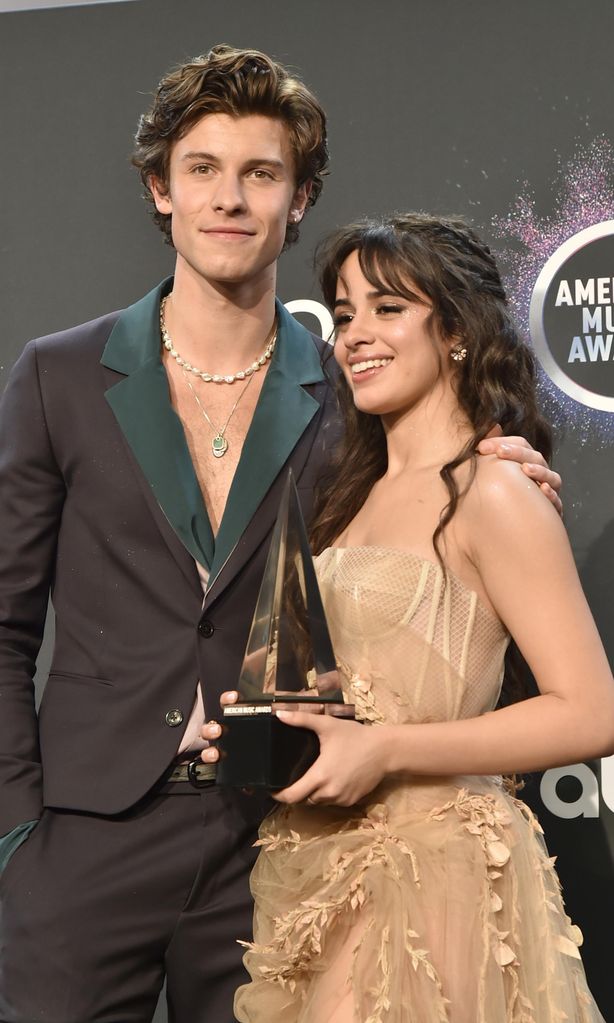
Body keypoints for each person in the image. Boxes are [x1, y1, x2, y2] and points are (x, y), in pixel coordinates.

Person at [0, 44, 560, 1023]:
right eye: (202, 170)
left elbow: (443, 528)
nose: (229, 199)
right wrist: (17, 832)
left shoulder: (357, 393)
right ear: (159, 190)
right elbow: (3, 621)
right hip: (86, 842)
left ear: (298, 200)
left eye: (260, 174)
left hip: (282, 833)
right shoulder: (58, 374)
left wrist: (497, 466)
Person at [202, 214, 614, 1022]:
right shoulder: (348, 495)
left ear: (457, 329)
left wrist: (387, 747)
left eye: (388, 308)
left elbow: (593, 709)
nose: (356, 333)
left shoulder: (494, 490)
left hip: (437, 875)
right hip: (318, 864)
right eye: (346, 311)